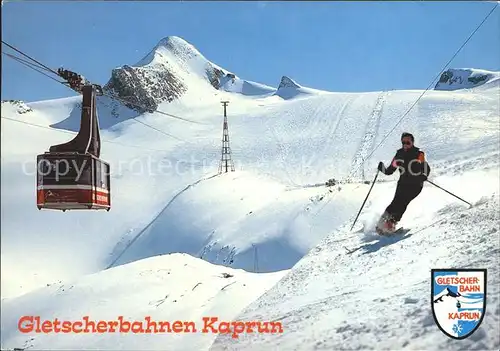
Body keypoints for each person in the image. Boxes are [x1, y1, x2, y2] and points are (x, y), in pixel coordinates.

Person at [376, 132, 431, 234]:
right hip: (402, 184)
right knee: (395, 202)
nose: (405, 144)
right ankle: (381, 224)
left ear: (412, 142)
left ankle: (391, 223)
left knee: (402, 203)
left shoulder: (419, 154)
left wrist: (424, 175)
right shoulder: (399, 155)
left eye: (408, 142)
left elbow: (425, 167)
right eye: (403, 142)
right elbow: (390, 170)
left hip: (415, 185)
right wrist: (382, 168)